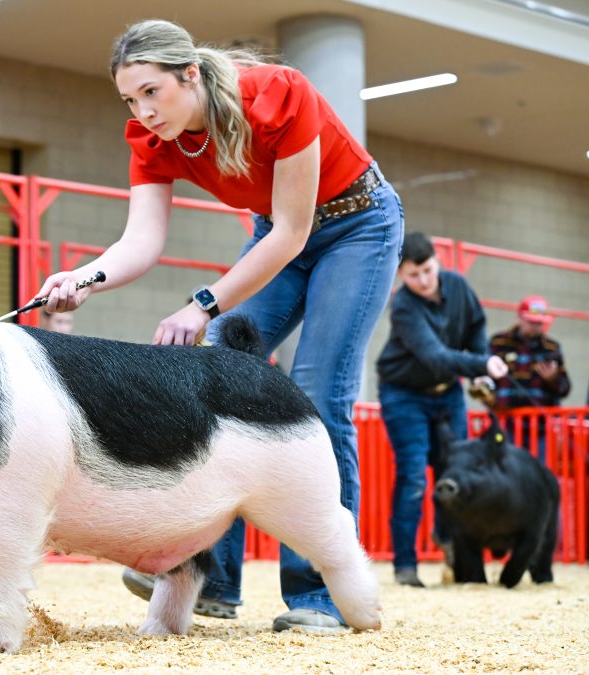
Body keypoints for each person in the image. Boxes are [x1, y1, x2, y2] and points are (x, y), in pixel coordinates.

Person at [36, 19, 404, 632]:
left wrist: (203, 304)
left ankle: (319, 597)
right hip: (278, 233)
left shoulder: (279, 94)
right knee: (217, 378)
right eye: (130, 99)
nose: (143, 110)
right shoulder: (152, 139)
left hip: (355, 225)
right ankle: (208, 576)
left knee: (318, 392)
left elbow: (293, 232)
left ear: (191, 74)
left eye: (152, 92)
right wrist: (84, 278)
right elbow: (141, 241)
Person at [375, 232, 508, 588]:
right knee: (415, 475)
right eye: (413, 275)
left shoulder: (458, 287)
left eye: (427, 271)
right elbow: (433, 355)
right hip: (404, 394)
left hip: (448, 392)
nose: (422, 281)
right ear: (401, 274)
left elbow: (477, 325)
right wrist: (483, 364)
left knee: (454, 471)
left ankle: (448, 541)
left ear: (437, 262)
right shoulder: (403, 306)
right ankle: (406, 566)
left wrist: (480, 364)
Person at [485, 295, 570, 462]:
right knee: (506, 471)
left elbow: (564, 389)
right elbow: (483, 379)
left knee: (537, 475)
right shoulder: (498, 343)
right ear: (519, 318)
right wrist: (490, 400)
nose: (535, 327)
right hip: (505, 423)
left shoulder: (552, 348)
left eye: (539, 323)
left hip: (540, 428)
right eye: (531, 322)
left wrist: (552, 379)